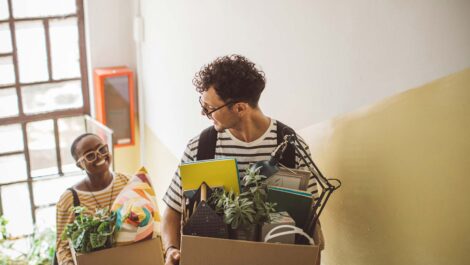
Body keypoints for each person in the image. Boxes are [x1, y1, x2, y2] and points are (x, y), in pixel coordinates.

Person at [162, 55, 320, 265]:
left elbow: (311, 221)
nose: (205, 113)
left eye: (210, 108)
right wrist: (170, 250)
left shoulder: (291, 147)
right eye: (203, 105)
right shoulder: (200, 147)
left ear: (240, 108)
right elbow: (172, 212)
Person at [55, 133, 130, 265]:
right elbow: (63, 247)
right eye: (90, 155)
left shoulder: (128, 183)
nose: (99, 156)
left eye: (102, 149)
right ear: (79, 165)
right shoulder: (69, 199)